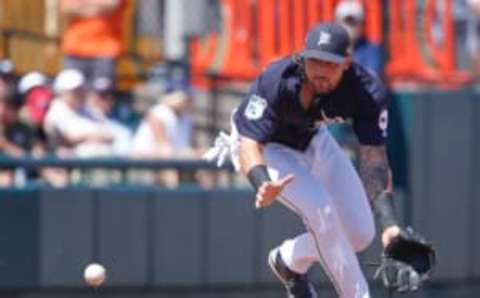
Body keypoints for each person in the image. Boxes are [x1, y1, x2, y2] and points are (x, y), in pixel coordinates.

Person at [205, 23, 435, 297]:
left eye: (331, 63)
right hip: (269, 149)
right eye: (315, 60)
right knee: (322, 211)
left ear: (347, 63)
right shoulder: (277, 79)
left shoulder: (366, 91)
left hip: (313, 139)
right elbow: (248, 141)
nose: (321, 69)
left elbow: (374, 160)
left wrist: (390, 225)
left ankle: (287, 261)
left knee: (360, 234)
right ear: (303, 58)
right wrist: (261, 180)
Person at [60, 0, 127, 84]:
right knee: (70, 92)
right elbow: (67, 8)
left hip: (105, 50)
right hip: (75, 49)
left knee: (100, 93)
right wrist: (97, 7)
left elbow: (111, 5)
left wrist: (82, 5)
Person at [335, 0, 383, 75]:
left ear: (362, 24)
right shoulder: (332, 49)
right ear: (337, 22)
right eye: (347, 22)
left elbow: (371, 77)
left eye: (354, 22)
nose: (350, 27)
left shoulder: (372, 51)